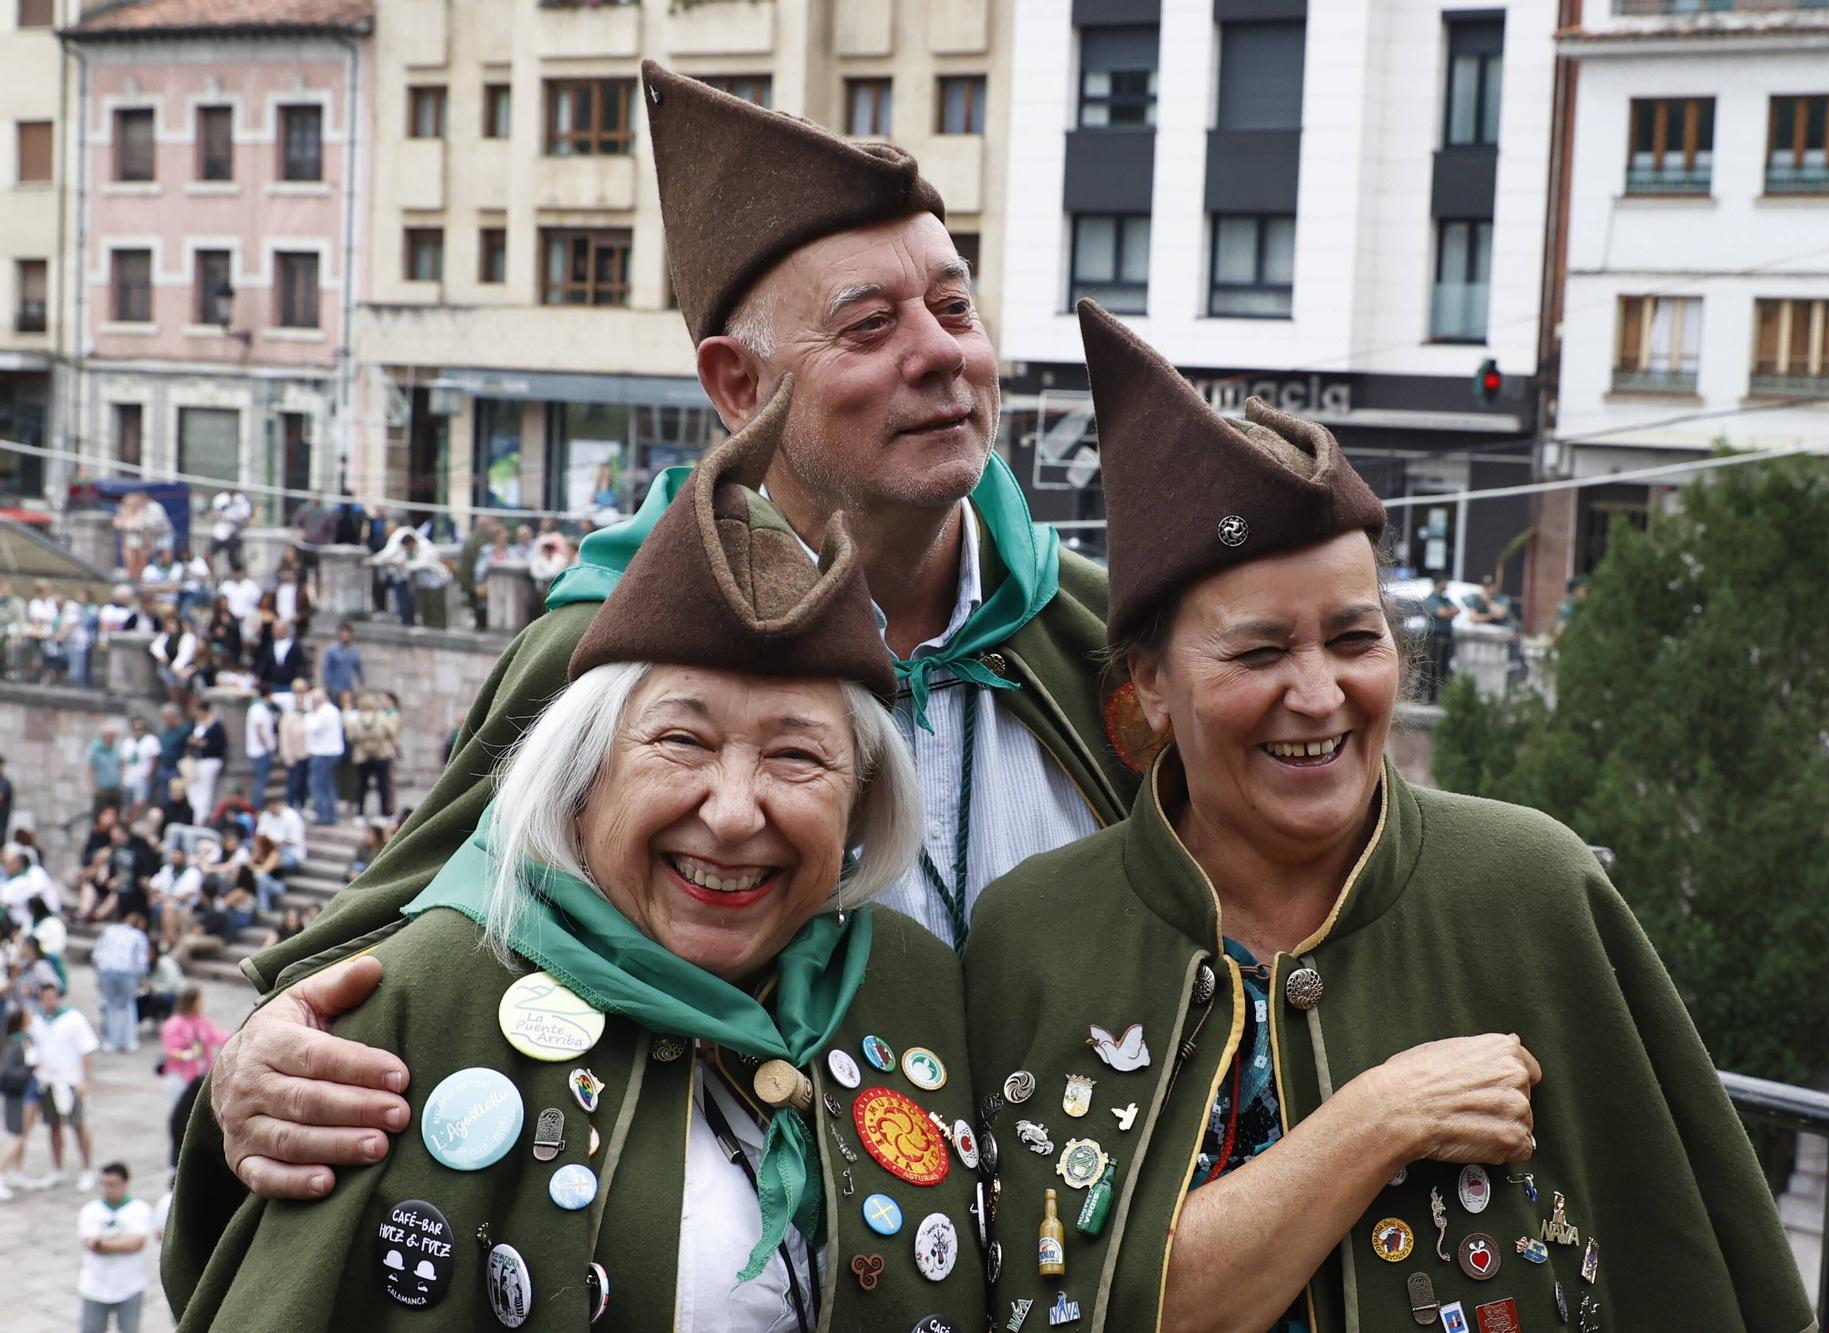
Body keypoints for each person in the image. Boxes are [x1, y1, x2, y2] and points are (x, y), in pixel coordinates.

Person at [194, 64, 1133, 1199]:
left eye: (952, 305)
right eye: (869, 325)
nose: (939, 354)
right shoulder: (605, 655)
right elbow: (383, 954)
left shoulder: (1100, 634)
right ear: (738, 385)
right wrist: (263, 1065)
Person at [963, 302, 1813, 1330]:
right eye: (1258, 651)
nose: (1318, 694)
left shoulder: (1530, 889)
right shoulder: (1033, 933)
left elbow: (1685, 1273)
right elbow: (1079, 1305)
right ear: (1147, 682)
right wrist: (1377, 1119)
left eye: (1353, 638)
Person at [164, 392, 984, 1332]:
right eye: (681, 740)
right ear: (584, 776)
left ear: (860, 800)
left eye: (797, 756)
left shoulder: (917, 990)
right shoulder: (417, 1003)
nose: (731, 811)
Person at [29, 982, 97, 1189]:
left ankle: (87, 1168)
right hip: (48, 1080)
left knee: (78, 1125)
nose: (49, 1001)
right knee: (53, 1127)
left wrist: (85, 1080)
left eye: (52, 997)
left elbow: (86, 1050)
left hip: (70, 1080)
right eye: (45, 997)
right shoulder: (36, 1020)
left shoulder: (73, 1019)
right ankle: (57, 1168)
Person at [78, 1162, 151, 1333]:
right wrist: (120, 1244)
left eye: (112, 1184)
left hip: (129, 1285)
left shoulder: (139, 1210)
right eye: (104, 1184)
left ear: (125, 1183)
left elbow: (136, 1243)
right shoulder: (90, 1211)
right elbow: (91, 1244)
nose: (107, 1189)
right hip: (95, 1286)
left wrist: (103, 1244)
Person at [90, 912, 150, 1055]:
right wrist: (142, 977)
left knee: (110, 1005)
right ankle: (129, 1040)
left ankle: (112, 1041)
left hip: (107, 970)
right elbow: (141, 961)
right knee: (129, 1004)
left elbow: (97, 954)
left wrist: (99, 975)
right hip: (127, 972)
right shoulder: (138, 936)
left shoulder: (109, 931)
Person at [160, 988, 227, 1106]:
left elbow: (216, 1035)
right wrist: (189, 1055)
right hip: (180, 1076)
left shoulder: (201, 1021)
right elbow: (171, 1050)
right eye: (199, 1000)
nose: (201, 1004)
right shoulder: (174, 1024)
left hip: (200, 1073)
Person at [0, 1006, 36, 1197]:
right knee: (17, 1136)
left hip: (28, 1094)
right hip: (17, 1095)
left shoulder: (26, 1041)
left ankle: (17, 1172)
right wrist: (29, 1070)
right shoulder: (14, 1045)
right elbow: (7, 1073)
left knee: (24, 1135)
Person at [346, 691, 398, 820]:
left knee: (362, 786)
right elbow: (391, 732)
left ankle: (360, 814)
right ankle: (383, 813)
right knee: (382, 786)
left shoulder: (355, 718)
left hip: (362, 756)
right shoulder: (382, 717)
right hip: (381, 753)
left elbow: (351, 737)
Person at [303, 687, 344, 826]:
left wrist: (309, 714)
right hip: (331, 752)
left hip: (323, 753)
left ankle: (323, 815)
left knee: (318, 785)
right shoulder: (333, 710)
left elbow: (312, 728)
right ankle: (330, 814)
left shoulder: (323, 712)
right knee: (328, 785)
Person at [186, 698, 228, 824]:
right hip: (196, 760)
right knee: (192, 787)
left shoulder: (215, 726)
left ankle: (201, 817)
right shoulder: (196, 725)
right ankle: (193, 813)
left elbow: (216, 744)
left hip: (210, 760)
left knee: (205, 788)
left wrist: (201, 743)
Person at [115, 717, 157, 814]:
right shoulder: (128, 742)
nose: (138, 731)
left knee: (140, 803)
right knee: (127, 805)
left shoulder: (151, 740)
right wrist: (122, 777)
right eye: (135, 728)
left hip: (143, 778)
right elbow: (124, 762)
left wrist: (150, 775)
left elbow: (154, 759)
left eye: (140, 728)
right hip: (129, 778)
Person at [279, 684, 312, 809]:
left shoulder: (308, 715)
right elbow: (285, 738)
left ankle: (302, 804)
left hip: (306, 753)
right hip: (294, 754)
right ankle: (291, 805)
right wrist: (287, 754)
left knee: (304, 782)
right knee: (294, 782)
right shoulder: (288, 717)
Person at [208, 487, 254, 574]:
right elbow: (214, 515)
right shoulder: (220, 498)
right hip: (219, 534)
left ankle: (238, 579)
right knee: (208, 556)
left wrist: (231, 520)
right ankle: (212, 577)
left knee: (234, 561)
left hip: (234, 535)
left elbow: (246, 519)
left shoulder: (241, 500)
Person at [85, 722, 122, 818]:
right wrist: (94, 787)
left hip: (115, 788)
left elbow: (120, 766)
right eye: (110, 736)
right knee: (98, 817)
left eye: (114, 736)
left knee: (115, 817)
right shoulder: (96, 749)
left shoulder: (115, 749)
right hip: (102, 790)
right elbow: (90, 769)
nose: (112, 738)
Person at [321, 622, 364, 698]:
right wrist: (325, 684)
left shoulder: (354, 652)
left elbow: (358, 669)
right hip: (334, 687)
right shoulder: (333, 650)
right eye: (343, 632)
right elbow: (327, 669)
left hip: (348, 687)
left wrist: (361, 682)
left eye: (347, 633)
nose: (345, 635)